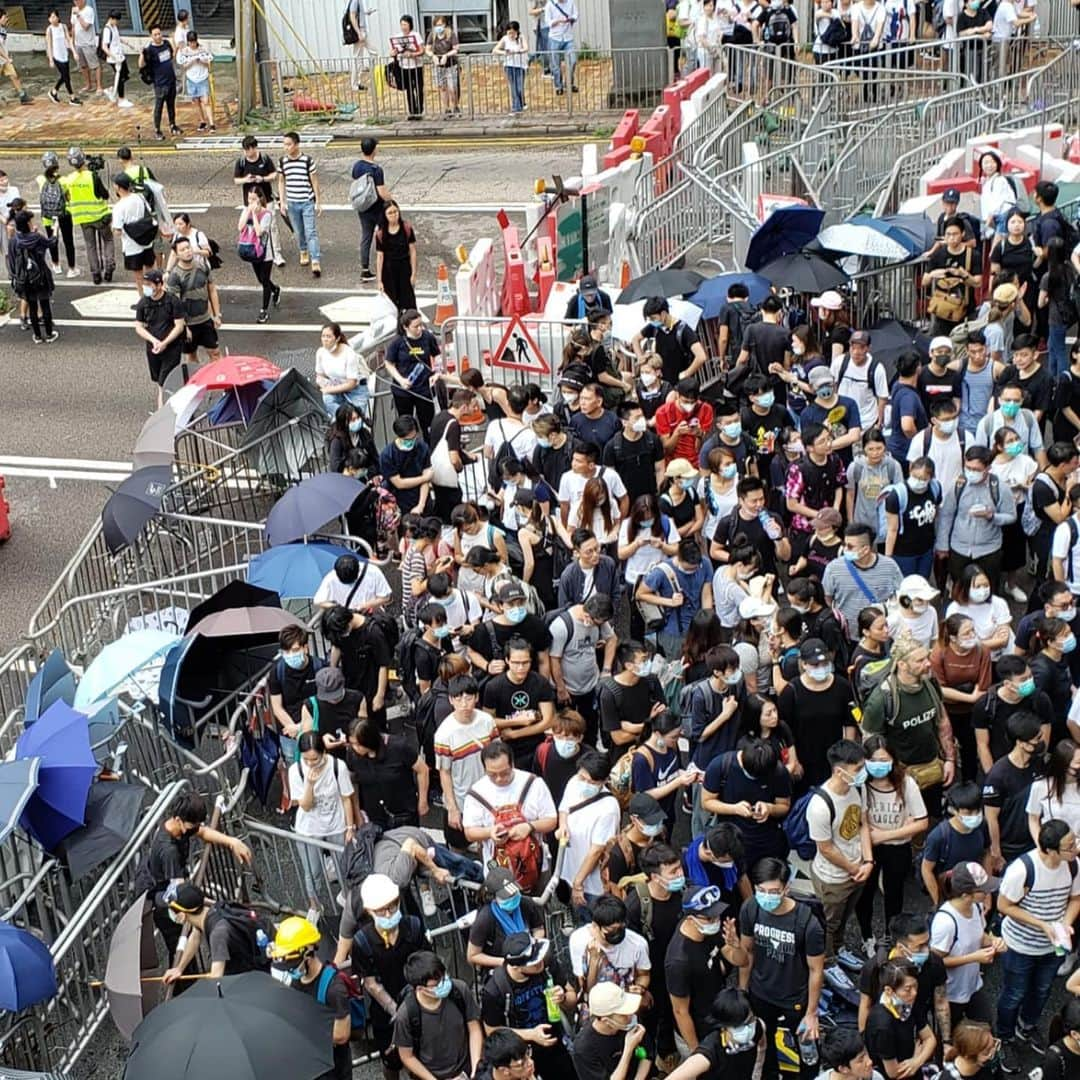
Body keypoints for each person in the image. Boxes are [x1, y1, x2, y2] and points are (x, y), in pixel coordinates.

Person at [132, 791, 252, 978]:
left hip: (170, 886)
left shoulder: (178, 825)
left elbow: (202, 832)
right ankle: (183, 979)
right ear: (179, 820)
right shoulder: (168, 851)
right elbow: (179, 894)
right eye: (192, 825)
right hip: (162, 896)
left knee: (191, 931)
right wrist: (189, 909)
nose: (194, 829)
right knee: (180, 942)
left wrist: (231, 842)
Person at [996, 819, 1080, 1072]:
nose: (1075, 847)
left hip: (1053, 946)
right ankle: (1005, 1037)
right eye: (1069, 845)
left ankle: (1027, 1026)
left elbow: (1075, 898)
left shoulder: (1073, 865)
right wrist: (1043, 924)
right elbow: (1004, 905)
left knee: (1042, 990)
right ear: (1050, 850)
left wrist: (1064, 924)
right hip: (1020, 945)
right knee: (1014, 994)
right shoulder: (1022, 870)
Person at [737, 857, 825, 1080]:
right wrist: (742, 991)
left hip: (795, 997)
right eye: (761, 890)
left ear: (786, 888)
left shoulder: (807, 923)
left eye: (774, 890)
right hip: (761, 993)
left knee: (808, 1049)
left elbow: (816, 970)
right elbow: (747, 952)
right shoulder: (751, 908)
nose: (766, 896)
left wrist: (812, 1012)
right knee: (763, 1043)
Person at [860, 637, 955, 818]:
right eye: (920, 660)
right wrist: (887, 778)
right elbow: (870, 741)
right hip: (902, 774)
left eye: (926, 657)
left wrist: (949, 759)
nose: (928, 663)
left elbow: (942, 722)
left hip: (933, 767)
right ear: (902, 664)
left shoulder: (930, 683)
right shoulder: (882, 699)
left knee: (933, 814)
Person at [854, 737, 929, 951]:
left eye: (884, 760)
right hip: (869, 847)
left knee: (894, 894)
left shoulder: (906, 783)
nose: (879, 765)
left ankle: (889, 935)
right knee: (865, 894)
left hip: (897, 847)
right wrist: (875, 836)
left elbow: (921, 822)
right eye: (874, 760)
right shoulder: (860, 784)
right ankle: (866, 936)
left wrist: (884, 835)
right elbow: (860, 820)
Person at [666, 885, 748, 1056]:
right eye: (709, 918)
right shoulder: (679, 961)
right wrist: (698, 1051)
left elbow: (742, 961)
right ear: (690, 919)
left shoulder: (709, 931)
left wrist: (736, 945)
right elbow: (680, 1011)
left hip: (717, 1015)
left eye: (716, 915)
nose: (715, 921)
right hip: (697, 1030)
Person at [268, 917, 354, 1079]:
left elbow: (342, 1035)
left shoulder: (333, 988)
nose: (291, 970)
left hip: (333, 1070)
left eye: (293, 965)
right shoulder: (296, 981)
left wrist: (302, 1028)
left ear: (307, 953)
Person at [287, 730, 355, 922]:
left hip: (336, 824)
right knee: (312, 872)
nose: (310, 763)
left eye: (314, 759)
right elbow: (305, 806)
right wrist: (309, 783)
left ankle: (346, 897)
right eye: (306, 759)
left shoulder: (337, 766)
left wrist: (350, 827)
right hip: (308, 828)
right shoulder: (296, 771)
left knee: (344, 867)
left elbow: (346, 798)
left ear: (324, 752)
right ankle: (315, 906)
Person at [462, 738, 557, 871]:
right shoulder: (476, 793)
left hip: (535, 865)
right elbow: (470, 832)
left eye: (504, 773)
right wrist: (490, 832)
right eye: (492, 775)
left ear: (512, 764)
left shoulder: (534, 784)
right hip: (497, 871)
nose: (499, 779)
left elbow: (551, 821)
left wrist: (529, 827)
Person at [857, 912, 950, 1043]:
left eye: (927, 943)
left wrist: (946, 1041)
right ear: (901, 947)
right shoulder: (874, 968)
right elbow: (865, 1005)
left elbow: (941, 1002)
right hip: (886, 1030)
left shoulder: (934, 964)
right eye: (920, 946)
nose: (926, 950)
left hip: (919, 1027)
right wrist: (865, 1044)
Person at [929, 861, 1001, 1028]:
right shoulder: (946, 922)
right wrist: (973, 958)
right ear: (965, 895)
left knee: (985, 1026)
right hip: (951, 992)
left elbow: (979, 935)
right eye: (983, 890)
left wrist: (993, 941)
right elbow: (936, 963)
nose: (988, 892)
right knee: (952, 1033)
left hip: (972, 984)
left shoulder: (976, 907)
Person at [778, 637, 857, 786]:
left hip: (835, 762)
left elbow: (850, 722)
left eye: (825, 663)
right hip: (804, 763)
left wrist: (847, 757)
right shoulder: (791, 692)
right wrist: (792, 760)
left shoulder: (842, 686)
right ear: (804, 664)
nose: (821, 668)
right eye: (815, 664)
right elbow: (783, 730)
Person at [393, 951, 483, 1080]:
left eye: (444, 978)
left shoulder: (459, 990)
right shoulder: (406, 1014)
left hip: (466, 1068)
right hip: (431, 1074)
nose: (443, 984)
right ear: (420, 988)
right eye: (435, 985)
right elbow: (407, 1056)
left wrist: (475, 1069)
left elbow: (474, 1029)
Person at [936, 446, 1017, 586]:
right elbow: (946, 515)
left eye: (977, 470)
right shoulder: (958, 485)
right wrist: (942, 545)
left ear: (988, 468)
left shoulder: (999, 487)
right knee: (959, 589)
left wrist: (992, 516)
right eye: (968, 468)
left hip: (989, 550)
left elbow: (1011, 516)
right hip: (959, 548)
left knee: (987, 590)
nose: (971, 472)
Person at [557, 750, 622, 913]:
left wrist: (579, 883)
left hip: (591, 883)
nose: (585, 784)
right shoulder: (574, 782)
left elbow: (597, 850)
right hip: (570, 866)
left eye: (592, 782)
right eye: (583, 778)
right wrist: (563, 824)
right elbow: (564, 808)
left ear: (604, 781)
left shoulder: (609, 808)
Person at [984, 711, 1045, 873]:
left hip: (1034, 839)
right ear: (1021, 743)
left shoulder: (1038, 763)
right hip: (1010, 846)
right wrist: (996, 851)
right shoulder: (998, 776)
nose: (1041, 742)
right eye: (1036, 739)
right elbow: (991, 818)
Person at [822, 524, 903, 643]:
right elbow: (827, 599)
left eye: (850, 547)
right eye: (845, 545)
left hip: (881, 637)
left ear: (865, 549)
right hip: (848, 637)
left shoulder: (890, 567)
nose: (845, 550)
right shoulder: (833, 569)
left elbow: (899, 595)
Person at [863, 959, 938, 1079]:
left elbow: (930, 1038)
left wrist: (917, 1061)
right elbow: (894, 1073)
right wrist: (917, 1056)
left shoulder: (908, 1002)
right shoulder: (882, 1024)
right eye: (907, 989)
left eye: (915, 986)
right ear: (889, 990)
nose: (914, 993)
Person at [572, 982, 649, 1080]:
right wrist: (628, 1050)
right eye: (623, 1014)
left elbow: (647, 1054)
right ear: (606, 1021)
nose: (630, 1015)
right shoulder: (583, 1049)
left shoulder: (629, 1022)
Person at [134, 266, 185, 407]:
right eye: (145, 285)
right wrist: (154, 341)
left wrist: (165, 343)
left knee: (164, 382)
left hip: (171, 348)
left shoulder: (173, 301)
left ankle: (162, 412)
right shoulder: (143, 303)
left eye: (149, 285)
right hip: (153, 348)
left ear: (160, 285)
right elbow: (138, 326)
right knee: (158, 380)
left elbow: (179, 326)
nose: (146, 288)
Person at [167, 235, 221, 364]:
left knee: (215, 353)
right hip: (189, 324)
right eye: (183, 250)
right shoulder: (175, 276)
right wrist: (184, 328)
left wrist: (216, 314)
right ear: (176, 254)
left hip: (205, 320)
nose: (187, 251)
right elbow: (175, 306)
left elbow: (212, 289)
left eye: (188, 247)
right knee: (191, 357)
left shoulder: (203, 266)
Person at [233, 134, 285, 267]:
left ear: (255, 148)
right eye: (245, 150)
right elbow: (236, 179)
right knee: (251, 226)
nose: (247, 153)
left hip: (266, 199)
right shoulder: (241, 162)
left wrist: (263, 179)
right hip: (249, 202)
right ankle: (256, 249)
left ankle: (276, 254)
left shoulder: (264, 159)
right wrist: (246, 179)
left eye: (249, 149)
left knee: (271, 227)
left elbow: (274, 174)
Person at [633, 298, 708, 387]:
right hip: (662, 384)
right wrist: (642, 360)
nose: (652, 321)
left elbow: (701, 356)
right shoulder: (654, 328)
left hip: (680, 384)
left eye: (653, 318)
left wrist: (687, 373)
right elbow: (635, 339)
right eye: (649, 319)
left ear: (663, 314)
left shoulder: (683, 330)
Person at [9, 211, 58, 346]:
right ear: (28, 223)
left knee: (32, 306)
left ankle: (37, 335)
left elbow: (12, 260)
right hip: (41, 276)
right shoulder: (36, 237)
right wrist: (55, 230)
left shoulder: (15, 240)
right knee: (45, 305)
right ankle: (49, 334)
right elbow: (51, 243)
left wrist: (14, 276)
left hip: (25, 279)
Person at [387, 308, 438, 435]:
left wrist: (436, 372)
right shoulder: (397, 342)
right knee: (406, 426)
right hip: (403, 391)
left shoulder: (428, 337)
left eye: (421, 325)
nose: (420, 329)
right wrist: (401, 380)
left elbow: (436, 356)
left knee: (428, 425)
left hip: (424, 389)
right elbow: (389, 363)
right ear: (405, 327)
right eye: (416, 327)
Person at [278, 131, 323, 278]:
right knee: (298, 231)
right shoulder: (282, 162)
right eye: (284, 144)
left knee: (311, 231)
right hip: (292, 202)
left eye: (289, 144)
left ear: (297, 144)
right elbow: (281, 181)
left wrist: (318, 201)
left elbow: (314, 181)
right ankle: (303, 250)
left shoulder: (307, 161)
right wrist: (282, 202)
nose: (286, 147)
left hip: (306, 201)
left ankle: (315, 259)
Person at [351, 137, 391, 282]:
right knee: (384, 235)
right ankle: (387, 265)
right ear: (374, 149)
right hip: (377, 208)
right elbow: (381, 191)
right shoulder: (376, 170)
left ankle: (365, 269)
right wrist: (391, 202)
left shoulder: (357, 166)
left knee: (366, 236)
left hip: (363, 207)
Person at [833, 330, 890, 431]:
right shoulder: (840, 362)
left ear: (868, 348)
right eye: (853, 347)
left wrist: (879, 421)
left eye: (861, 348)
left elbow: (882, 397)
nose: (856, 352)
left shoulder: (876, 368)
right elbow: (833, 385)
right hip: (842, 419)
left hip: (867, 421)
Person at [237, 189, 278, 324]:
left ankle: (264, 310)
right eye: (249, 199)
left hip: (265, 253)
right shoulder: (246, 210)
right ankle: (275, 289)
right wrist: (248, 211)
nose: (251, 202)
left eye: (254, 199)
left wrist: (254, 215)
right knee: (261, 279)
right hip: (252, 250)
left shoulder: (267, 214)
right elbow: (240, 226)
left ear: (260, 199)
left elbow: (260, 232)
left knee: (264, 280)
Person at [111, 173, 155, 295]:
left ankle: (143, 297)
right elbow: (149, 211)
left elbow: (117, 231)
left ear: (118, 188)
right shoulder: (140, 197)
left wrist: (113, 229)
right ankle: (154, 293)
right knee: (150, 271)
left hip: (132, 246)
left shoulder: (118, 207)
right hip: (147, 240)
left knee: (138, 275)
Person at [376, 199, 418, 312]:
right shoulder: (380, 233)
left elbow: (413, 251)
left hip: (404, 269)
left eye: (395, 211)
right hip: (388, 273)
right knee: (392, 305)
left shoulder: (406, 229)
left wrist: (413, 273)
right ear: (385, 215)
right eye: (390, 213)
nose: (394, 215)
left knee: (408, 303)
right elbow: (380, 257)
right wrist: (379, 280)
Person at [138, 24, 180, 138]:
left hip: (171, 80)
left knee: (171, 104)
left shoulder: (166, 44)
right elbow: (141, 65)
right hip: (160, 83)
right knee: (159, 107)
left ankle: (173, 124)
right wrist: (142, 54)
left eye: (159, 33)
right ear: (151, 36)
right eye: (155, 34)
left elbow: (172, 55)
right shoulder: (150, 50)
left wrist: (174, 42)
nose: (158, 36)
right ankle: (157, 129)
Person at [176, 30, 214, 132]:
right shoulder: (184, 52)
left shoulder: (203, 49)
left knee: (206, 101)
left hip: (203, 78)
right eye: (190, 42)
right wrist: (191, 61)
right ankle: (202, 121)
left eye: (194, 42)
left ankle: (212, 123)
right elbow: (183, 66)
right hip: (191, 80)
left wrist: (202, 61)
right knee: (196, 102)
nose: (193, 44)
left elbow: (209, 62)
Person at [391, 15, 425, 118]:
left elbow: (421, 50)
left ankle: (419, 110)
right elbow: (395, 50)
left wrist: (413, 54)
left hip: (416, 65)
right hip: (405, 66)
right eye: (402, 24)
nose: (403, 27)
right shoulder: (398, 36)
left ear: (410, 25)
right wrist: (393, 53)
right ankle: (412, 112)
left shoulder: (416, 35)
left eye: (405, 24)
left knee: (419, 88)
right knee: (409, 89)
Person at [425, 14, 460, 117]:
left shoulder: (451, 34)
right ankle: (446, 108)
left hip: (451, 64)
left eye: (440, 24)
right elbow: (427, 49)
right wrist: (432, 56)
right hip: (438, 65)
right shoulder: (432, 35)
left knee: (452, 87)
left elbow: (456, 48)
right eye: (436, 25)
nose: (438, 27)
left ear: (445, 24)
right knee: (442, 87)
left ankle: (455, 106)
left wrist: (446, 55)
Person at [493, 21, 529, 113]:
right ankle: (516, 107)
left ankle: (521, 102)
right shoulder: (505, 39)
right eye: (509, 33)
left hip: (521, 65)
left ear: (517, 32)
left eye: (513, 33)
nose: (511, 35)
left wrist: (519, 51)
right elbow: (495, 50)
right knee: (513, 87)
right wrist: (505, 52)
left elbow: (526, 48)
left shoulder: (521, 37)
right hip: (509, 65)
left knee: (520, 87)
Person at [45, 8, 79, 105]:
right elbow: (49, 46)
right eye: (50, 17)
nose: (52, 19)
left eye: (54, 16)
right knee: (66, 77)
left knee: (64, 77)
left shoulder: (63, 27)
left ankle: (53, 92)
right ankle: (72, 97)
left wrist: (74, 52)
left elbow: (69, 40)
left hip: (64, 55)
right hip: (57, 57)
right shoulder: (49, 30)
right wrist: (51, 59)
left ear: (58, 17)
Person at [544, 0, 579, 94]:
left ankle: (569, 83)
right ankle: (558, 86)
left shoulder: (570, 2)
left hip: (568, 37)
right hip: (555, 37)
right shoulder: (550, 4)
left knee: (573, 61)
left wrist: (571, 19)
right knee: (555, 64)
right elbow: (548, 22)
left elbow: (576, 14)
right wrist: (559, 20)